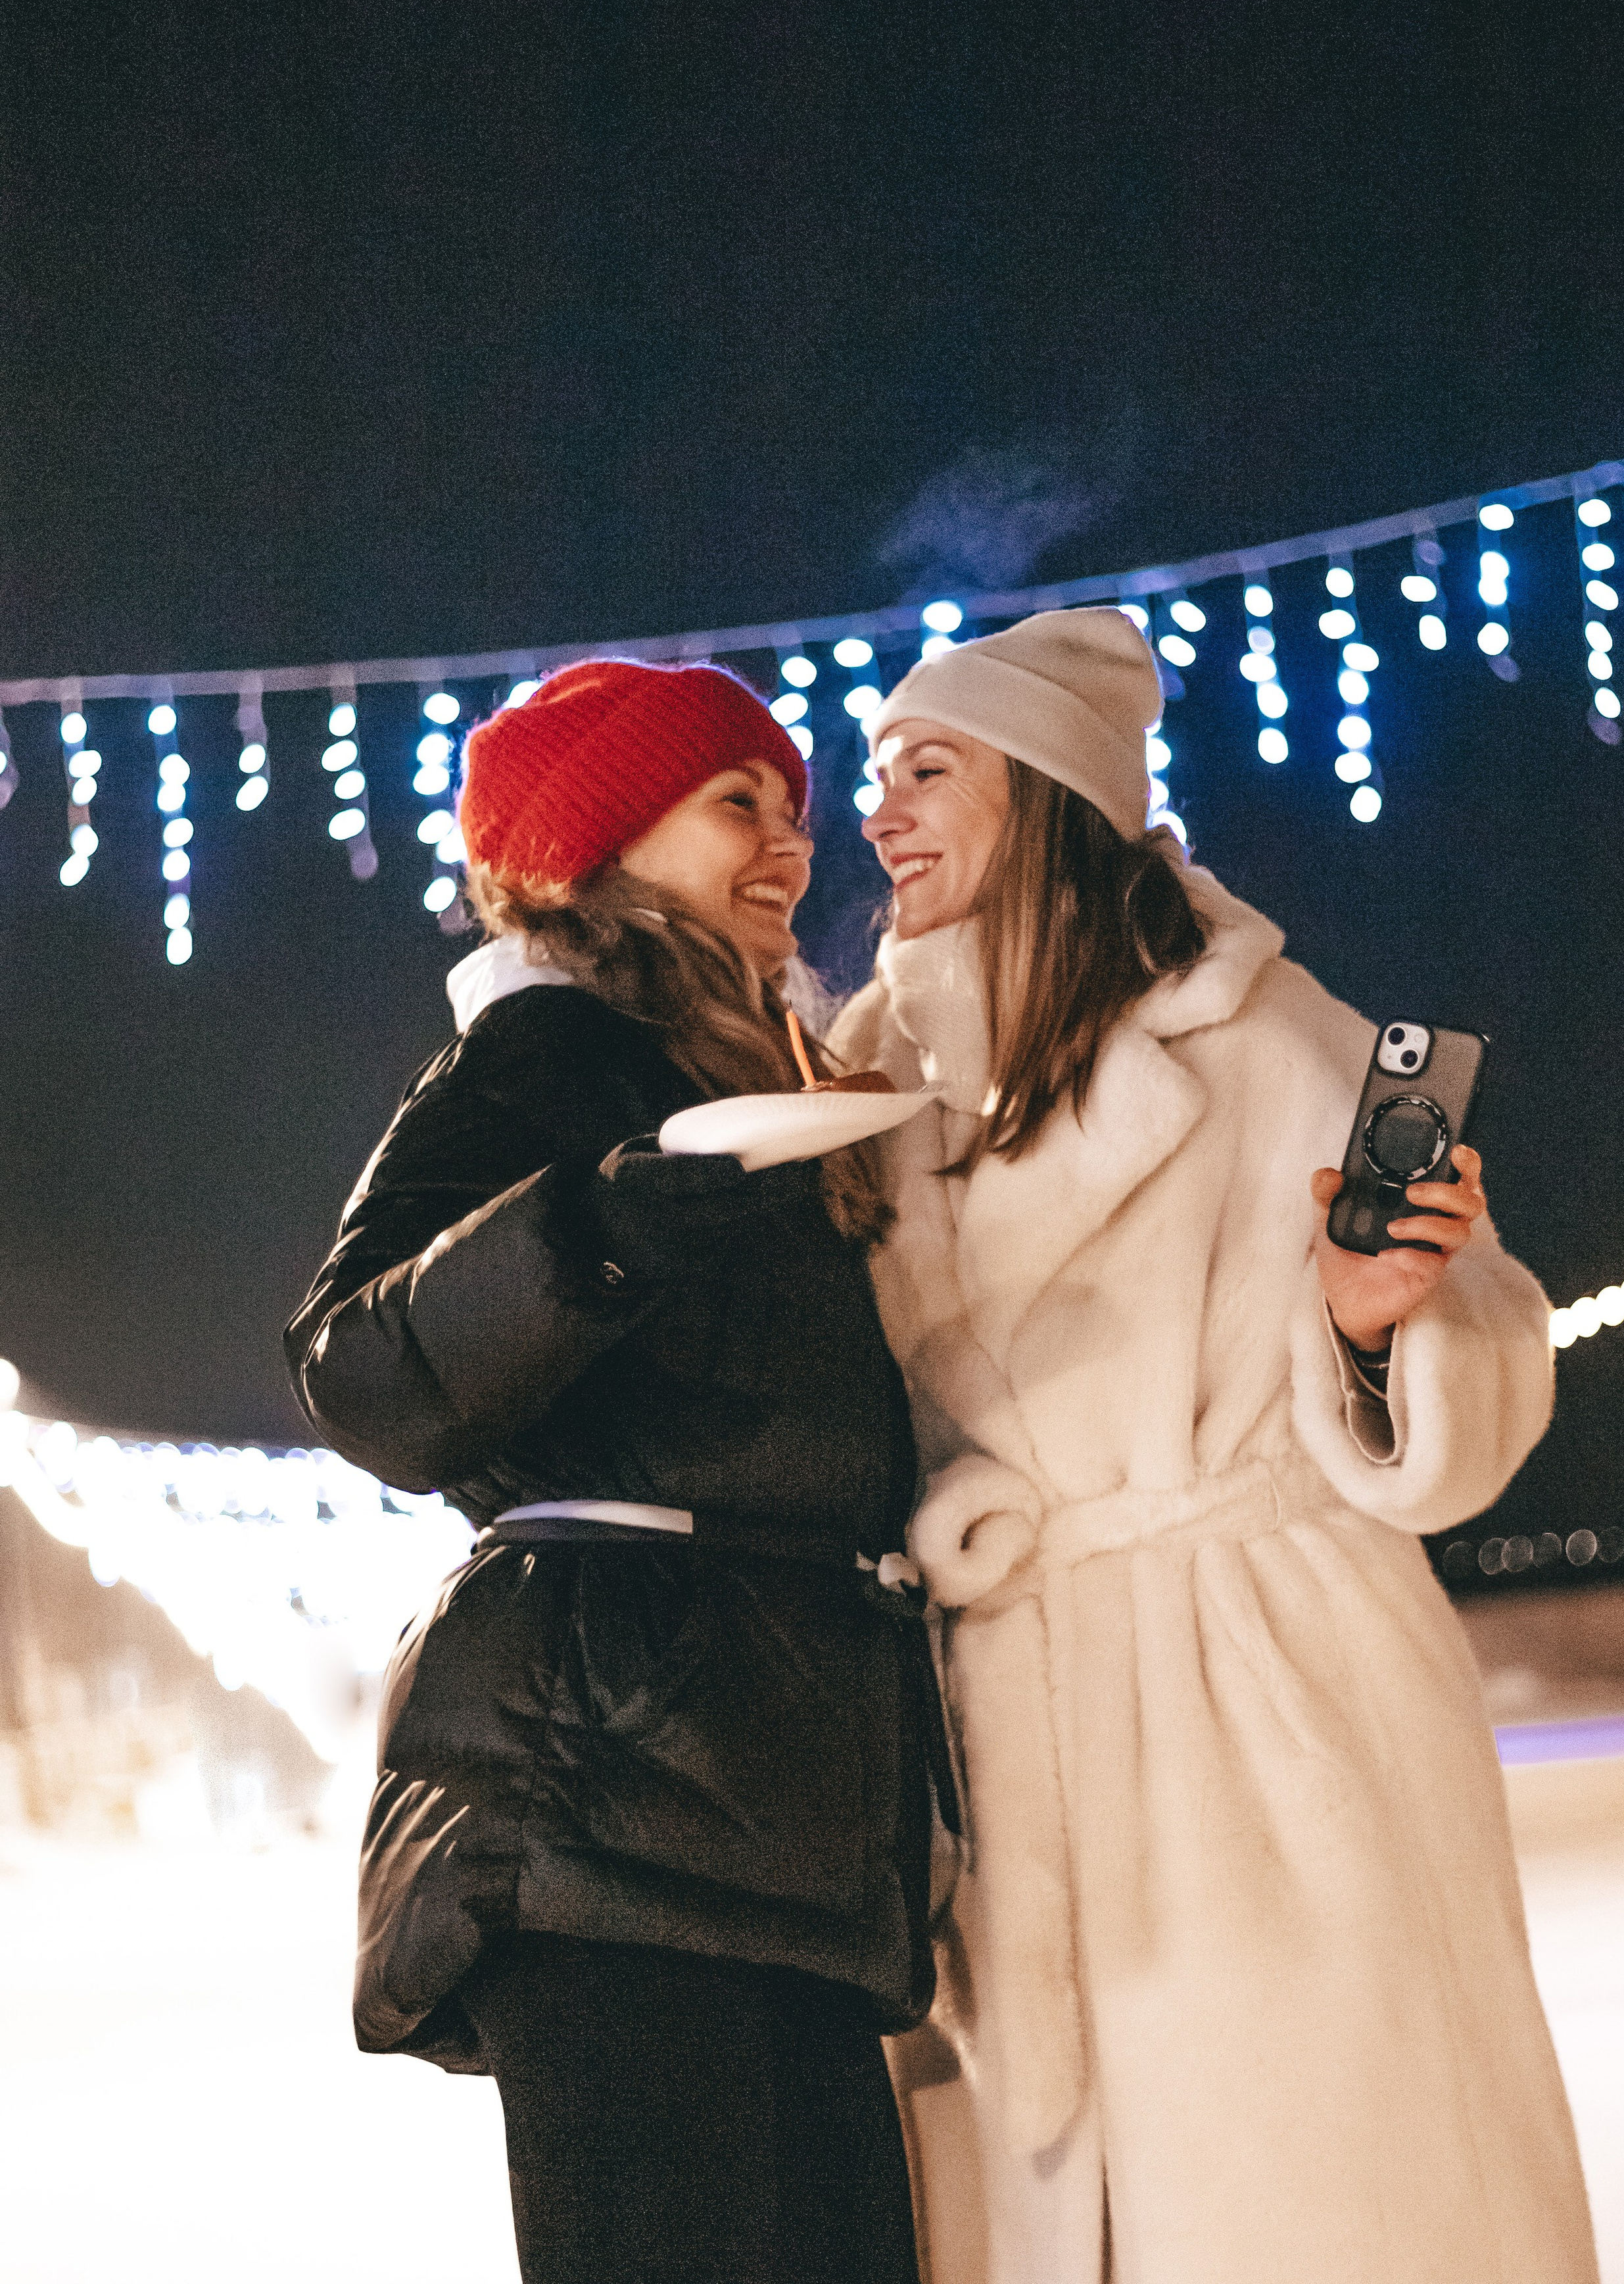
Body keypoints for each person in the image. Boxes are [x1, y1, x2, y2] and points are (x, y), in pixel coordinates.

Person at [830, 608, 1598, 2284]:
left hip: (1262, 1714)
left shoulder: (1264, 1041)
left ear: (1047, 795)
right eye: (873, 773)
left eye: (927, 770)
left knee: (1316, 2200)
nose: (873, 812)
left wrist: (1375, 1320)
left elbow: (1483, 1365)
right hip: (1002, 1732)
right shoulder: (860, 1086)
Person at [285, 659, 943, 2284]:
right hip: (603, 1794)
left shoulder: (747, 1078)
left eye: (793, 810)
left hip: (779, 1794)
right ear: (600, 839)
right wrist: (600, 1226)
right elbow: (358, 1368)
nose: (790, 843)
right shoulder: (542, 1059)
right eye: (739, 804)